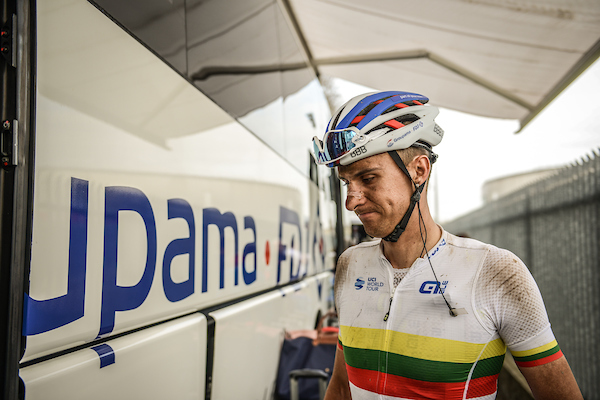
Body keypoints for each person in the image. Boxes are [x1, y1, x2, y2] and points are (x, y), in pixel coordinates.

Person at [311, 91, 582, 399]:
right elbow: (342, 387)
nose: (351, 202)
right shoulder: (350, 264)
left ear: (419, 170)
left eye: (369, 178)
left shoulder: (497, 272)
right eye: (347, 183)